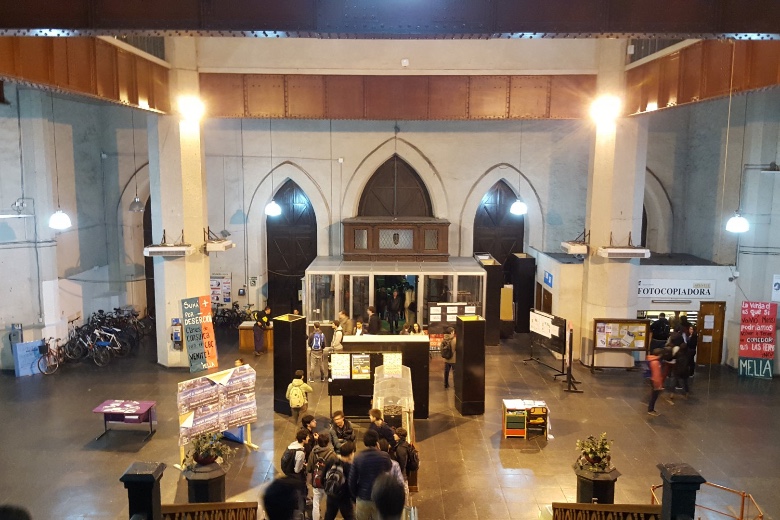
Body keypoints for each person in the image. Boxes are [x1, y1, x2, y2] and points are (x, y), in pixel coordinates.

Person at [348, 430, 393, 520]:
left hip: (363, 498)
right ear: (377, 442)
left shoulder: (358, 458)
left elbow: (351, 481)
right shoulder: (384, 456)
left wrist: (355, 496)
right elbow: (389, 469)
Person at [307, 434, 338, 520]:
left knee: (316, 503)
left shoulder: (313, 453)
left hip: (316, 481)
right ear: (328, 443)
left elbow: (309, 468)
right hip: (328, 483)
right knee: (329, 503)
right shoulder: (332, 454)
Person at [323, 441, 356, 520]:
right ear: (351, 453)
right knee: (350, 517)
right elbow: (351, 485)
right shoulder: (349, 467)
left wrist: (328, 489)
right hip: (344, 498)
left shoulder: (331, 461)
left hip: (331, 495)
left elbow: (323, 477)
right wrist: (354, 499)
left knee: (329, 517)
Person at [284, 429, 311, 507]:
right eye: (307, 437)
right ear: (303, 439)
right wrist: (303, 465)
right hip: (295, 474)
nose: (309, 438)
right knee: (301, 489)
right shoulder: (301, 453)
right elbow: (297, 470)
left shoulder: (293, 444)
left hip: (288, 470)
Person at [647, 348, 664, 416]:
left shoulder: (651, 359)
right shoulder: (655, 362)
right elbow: (656, 374)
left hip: (652, 379)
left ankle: (651, 409)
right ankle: (651, 409)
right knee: (654, 396)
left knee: (653, 395)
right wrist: (659, 385)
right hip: (655, 381)